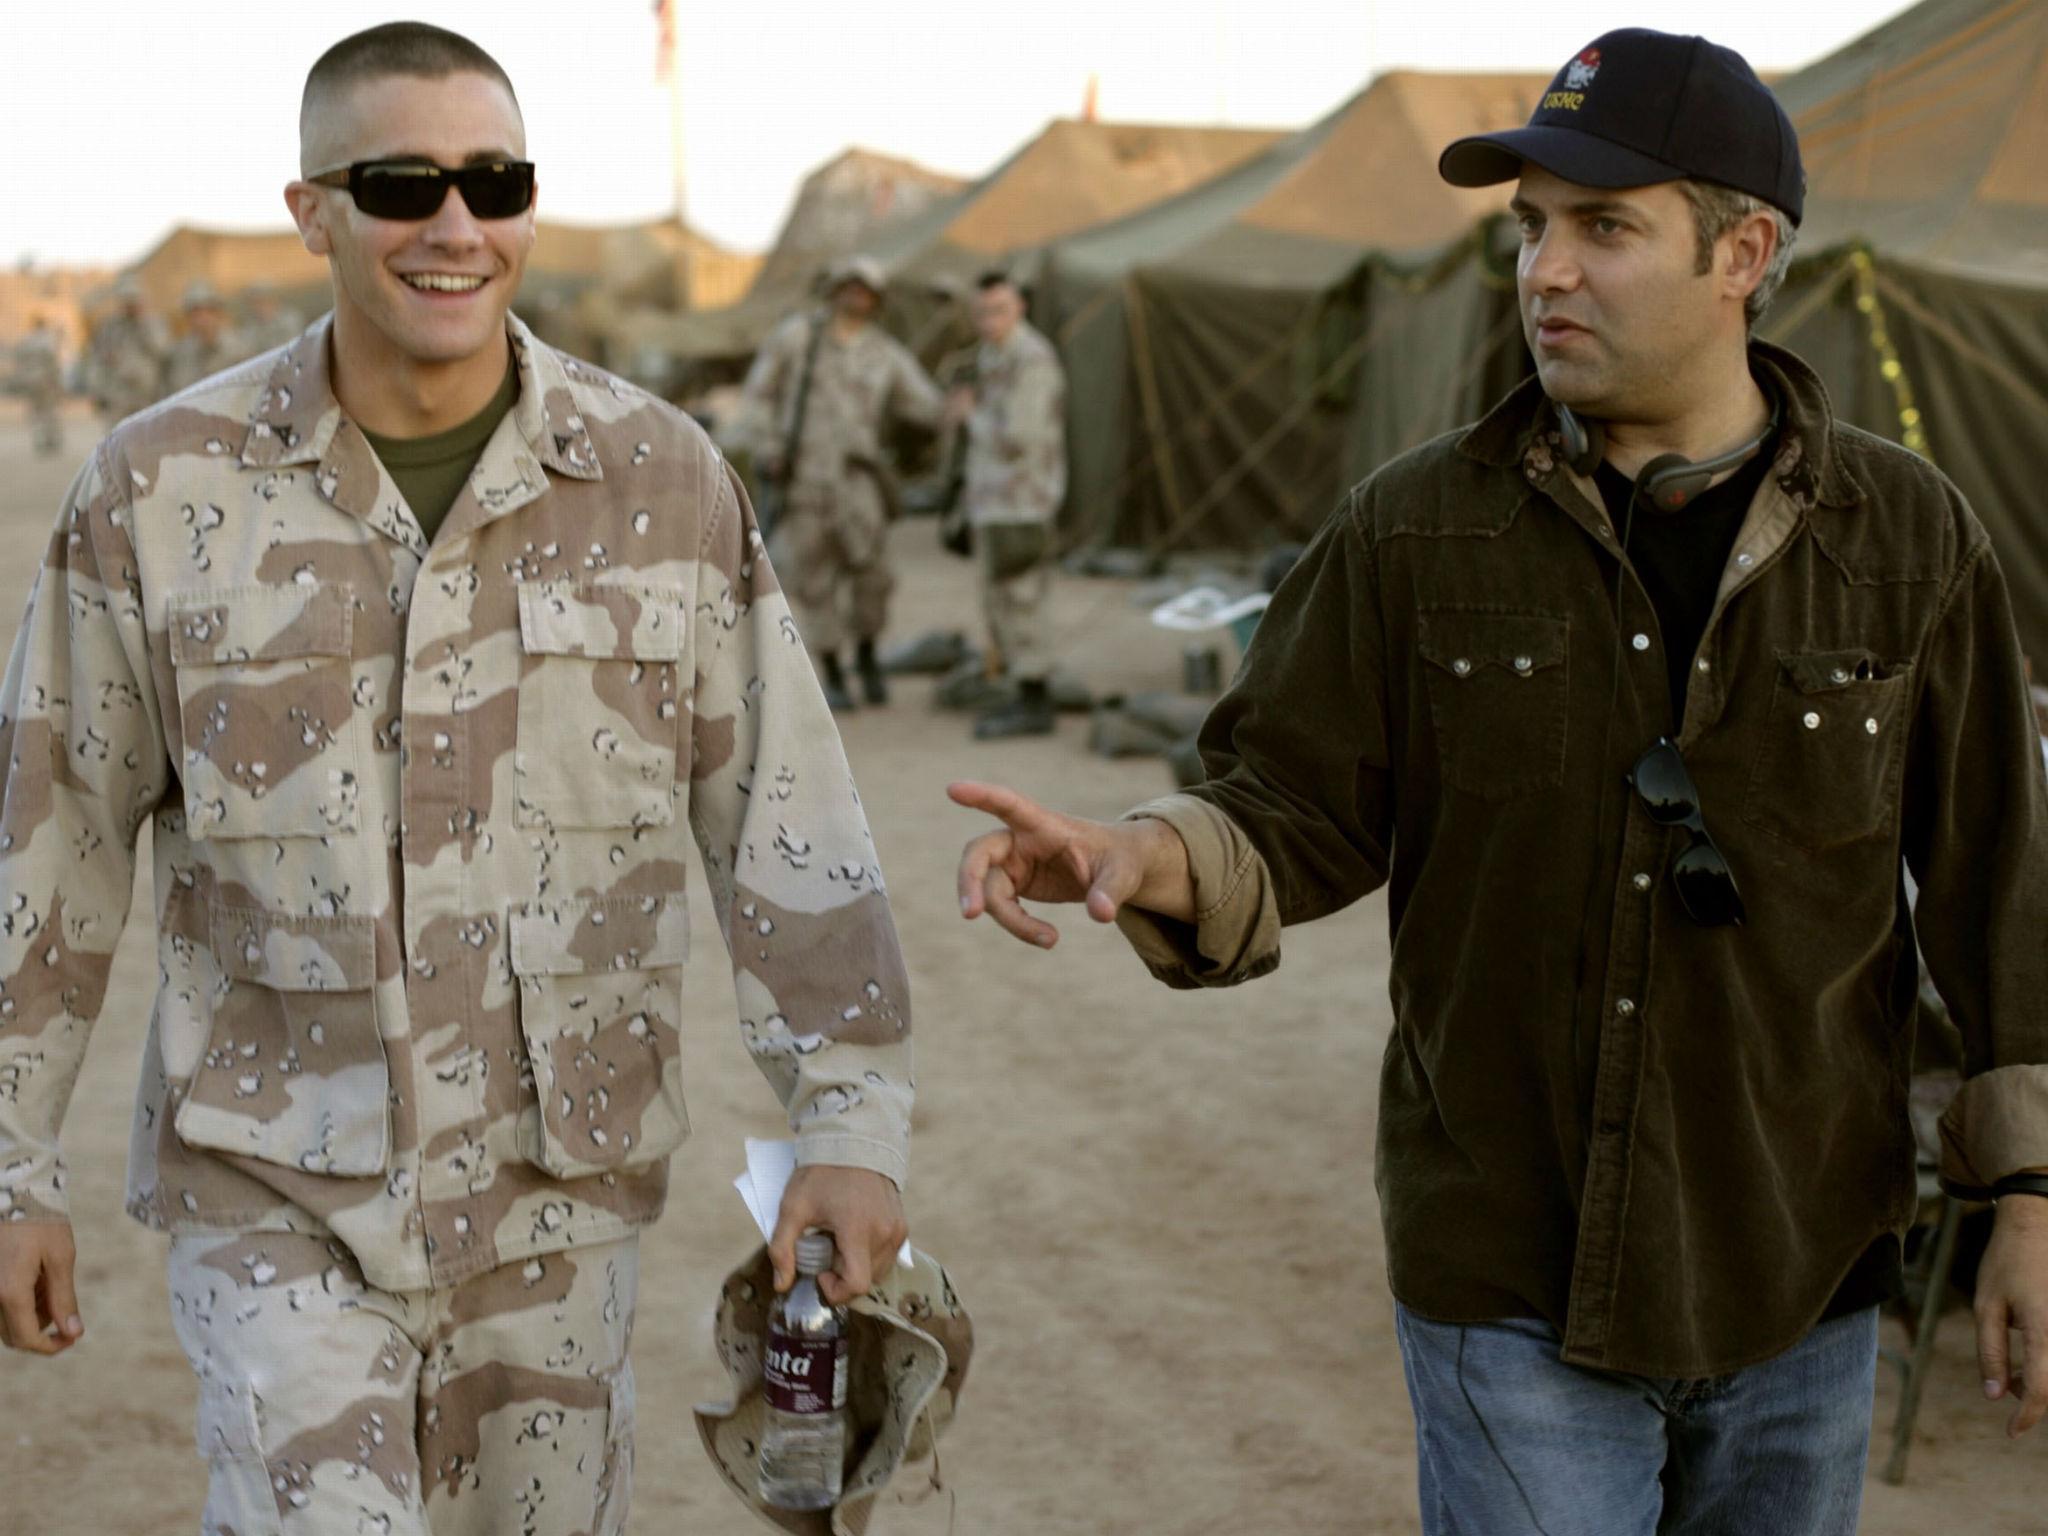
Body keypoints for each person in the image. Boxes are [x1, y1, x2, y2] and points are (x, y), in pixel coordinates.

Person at [952, 28, 2048, 1535]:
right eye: (1531, 228)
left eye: (1604, 228)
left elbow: (2000, 877)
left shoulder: (1908, 540)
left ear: (1743, 251)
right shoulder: (1414, 533)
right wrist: (1146, 852)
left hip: (1801, 1263)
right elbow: (1289, 800)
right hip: (1509, 1267)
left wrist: (2031, 1198)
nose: (1545, 271)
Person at [0, 23, 913, 1536]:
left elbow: (785, 816)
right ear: (314, 212)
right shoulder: (161, 493)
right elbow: (50, 848)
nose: (455, 226)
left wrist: (850, 1123)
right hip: (275, 1195)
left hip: (556, 1214)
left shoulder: (660, 481)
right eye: (403, 182)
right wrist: (11, 1164)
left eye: (493, 182)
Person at [736, 256, 943, 711]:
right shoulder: (797, 339)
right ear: (833, 290)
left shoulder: (885, 354)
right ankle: (831, 671)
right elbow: (758, 397)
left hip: (859, 482)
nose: (856, 296)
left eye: (865, 289)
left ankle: (867, 653)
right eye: (848, 286)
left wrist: (958, 404)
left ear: (877, 299)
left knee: (875, 579)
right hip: (806, 481)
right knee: (814, 581)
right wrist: (769, 446)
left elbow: (927, 406)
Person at [948, 271, 1067, 740]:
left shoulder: (1031, 359)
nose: (988, 321)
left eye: (999, 310)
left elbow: (1023, 435)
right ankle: (1020, 690)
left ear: (1019, 308)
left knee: (1024, 601)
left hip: (1022, 501)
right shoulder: (991, 356)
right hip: (993, 501)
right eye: (981, 312)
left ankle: (1036, 702)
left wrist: (971, 415)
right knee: (999, 601)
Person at [83, 274, 166, 424]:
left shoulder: (154, 324)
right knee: (119, 442)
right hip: (118, 397)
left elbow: (163, 352)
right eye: (126, 300)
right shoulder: (110, 328)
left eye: (133, 299)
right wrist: (97, 391)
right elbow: (98, 361)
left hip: (149, 396)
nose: (130, 305)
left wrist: (141, 323)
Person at [161, 280, 246, 397]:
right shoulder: (177, 354)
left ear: (218, 313)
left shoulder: (239, 349)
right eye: (196, 312)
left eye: (208, 311)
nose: (202, 318)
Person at [12, 315, 65, 457]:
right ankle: (50, 438)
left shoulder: (26, 340)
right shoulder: (48, 340)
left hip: (30, 380)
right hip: (45, 380)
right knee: (49, 410)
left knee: (36, 411)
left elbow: (19, 361)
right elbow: (53, 362)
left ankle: (39, 438)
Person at [237, 279, 308, 359]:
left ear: (274, 299)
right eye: (255, 302)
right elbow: (247, 352)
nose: (259, 307)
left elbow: (295, 345)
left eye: (264, 300)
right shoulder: (250, 327)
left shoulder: (291, 318)